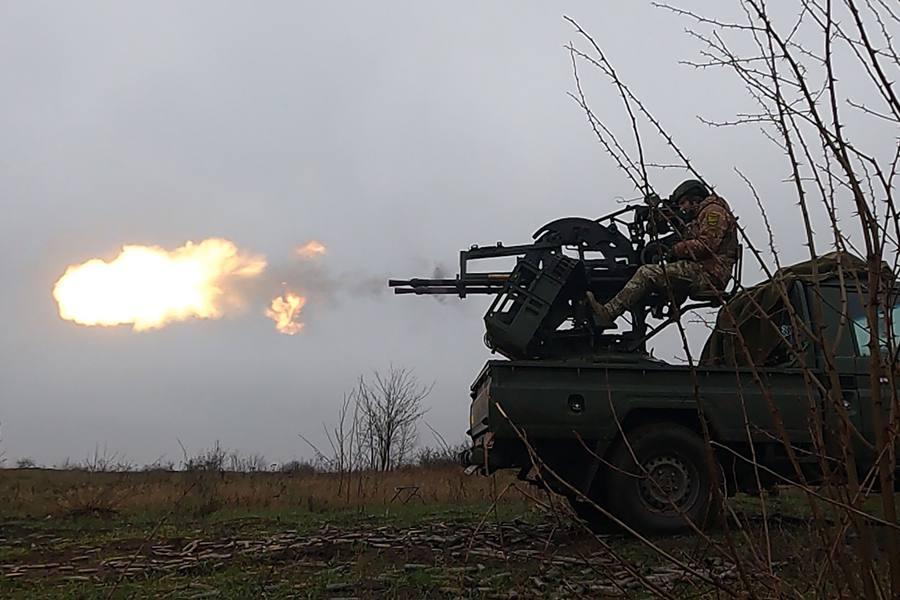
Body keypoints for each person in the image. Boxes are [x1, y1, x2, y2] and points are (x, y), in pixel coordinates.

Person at [587, 179, 739, 325]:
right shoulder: (700, 216)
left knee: (646, 273)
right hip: (702, 271)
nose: (683, 208)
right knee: (665, 272)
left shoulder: (713, 212)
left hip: (708, 275)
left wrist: (676, 249)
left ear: (695, 199)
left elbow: (706, 245)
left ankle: (608, 313)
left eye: (683, 203)